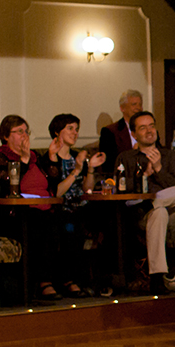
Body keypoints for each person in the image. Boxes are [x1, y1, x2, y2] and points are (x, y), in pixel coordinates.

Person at [0, 115, 84, 300]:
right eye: (19, 132)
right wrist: (23, 161)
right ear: (6, 136)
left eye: (26, 131)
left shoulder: (35, 157)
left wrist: (51, 157)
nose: (24, 135)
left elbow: (53, 183)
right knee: (44, 224)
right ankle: (43, 282)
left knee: (69, 223)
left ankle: (65, 279)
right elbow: (6, 185)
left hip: (44, 208)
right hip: (16, 213)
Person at [115, 111, 175, 293]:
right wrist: (144, 176)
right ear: (133, 134)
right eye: (142, 127)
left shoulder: (171, 156)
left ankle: (155, 202)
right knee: (158, 213)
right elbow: (122, 189)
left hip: (174, 211)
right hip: (143, 214)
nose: (149, 130)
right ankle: (157, 277)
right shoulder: (126, 158)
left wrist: (159, 169)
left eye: (151, 125)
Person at [44, 113, 108, 297]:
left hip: (80, 207)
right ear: (57, 132)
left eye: (77, 129)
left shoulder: (76, 156)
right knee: (70, 226)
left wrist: (90, 169)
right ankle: (68, 280)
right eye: (70, 129)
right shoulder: (50, 158)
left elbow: (86, 190)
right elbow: (56, 192)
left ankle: (102, 280)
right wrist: (77, 170)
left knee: (106, 219)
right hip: (60, 209)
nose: (75, 133)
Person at [100, 89, 143, 174]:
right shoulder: (110, 132)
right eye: (134, 104)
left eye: (140, 104)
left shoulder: (149, 130)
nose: (138, 108)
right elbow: (109, 165)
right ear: (122, 108)